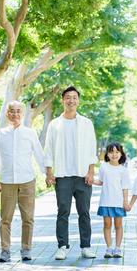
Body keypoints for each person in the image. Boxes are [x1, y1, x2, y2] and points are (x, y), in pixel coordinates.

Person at [44, 86, 97, 260]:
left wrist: (91, 172)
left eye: (74, 97)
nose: (71, 100)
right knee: (63, 212)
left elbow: (91, 149)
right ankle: (62, 246)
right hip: (62, 175)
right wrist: (49, 172)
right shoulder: (54, 124)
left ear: (78, 100)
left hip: (82, 175)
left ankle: (86, 246)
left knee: (84, 212)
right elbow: (49, 149)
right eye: (68, 97)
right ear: (63, 100)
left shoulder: (86, 123)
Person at [0, 101, 44, 263]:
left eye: (18, 111)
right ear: (7, 114)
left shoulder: (30, 133)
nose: (15, 114)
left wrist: (47, 174)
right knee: (5, 218)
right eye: (12, 111)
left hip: (27, 180)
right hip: (7, 181)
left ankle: (26, 249)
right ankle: (5, 250)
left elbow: (39, 155)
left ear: (23, 113)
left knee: (28, 218)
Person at [94, 142, 130, 258]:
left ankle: (118, 248)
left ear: (121, 154)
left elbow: (125, 187)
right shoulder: (103, 166)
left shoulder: (123, 170)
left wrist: (125, 201)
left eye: (117, 152)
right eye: (111, 152)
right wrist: (91, 180)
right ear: (107, 154)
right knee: (107, 224)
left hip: (118, 202)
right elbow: (101, 181)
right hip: (106, 200)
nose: (114, 154)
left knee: (118, 224)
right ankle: (109, 248)